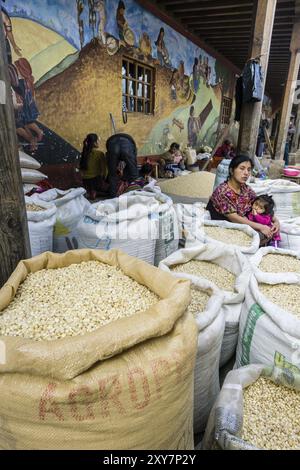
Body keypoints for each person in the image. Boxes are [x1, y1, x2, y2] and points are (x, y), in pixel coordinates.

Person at [206, 155, 280, 246]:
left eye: (248, 170)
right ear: (232, 170)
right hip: (226, 227)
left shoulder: (245, 189)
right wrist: (260, 227)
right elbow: (234, 218)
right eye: (242, 168)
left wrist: (276, 221)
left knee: (270, 230)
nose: (246, 173)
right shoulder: (223, 192)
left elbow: (261, 204)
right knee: (261, 235)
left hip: (244, 223)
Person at [106, 133, 139, 198]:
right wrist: (126, 179)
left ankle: (113, 197)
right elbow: (131, 168)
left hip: (111, 144)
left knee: (112, 175)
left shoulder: (110, 146)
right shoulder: (132, 148)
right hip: (127, 144)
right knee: (134, 173)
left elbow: (112, 169)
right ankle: (135, 194)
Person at [79, 133, 108, 200]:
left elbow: (81, 170)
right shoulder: (100, 154)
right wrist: (105, 179)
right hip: (96, 181)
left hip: (85, 182)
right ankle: (95, 191)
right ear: (95, 142)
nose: (98, 142)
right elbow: (105, 170)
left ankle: (91, 191)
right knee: (112, 190)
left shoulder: (84, 153)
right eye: (98, 141)